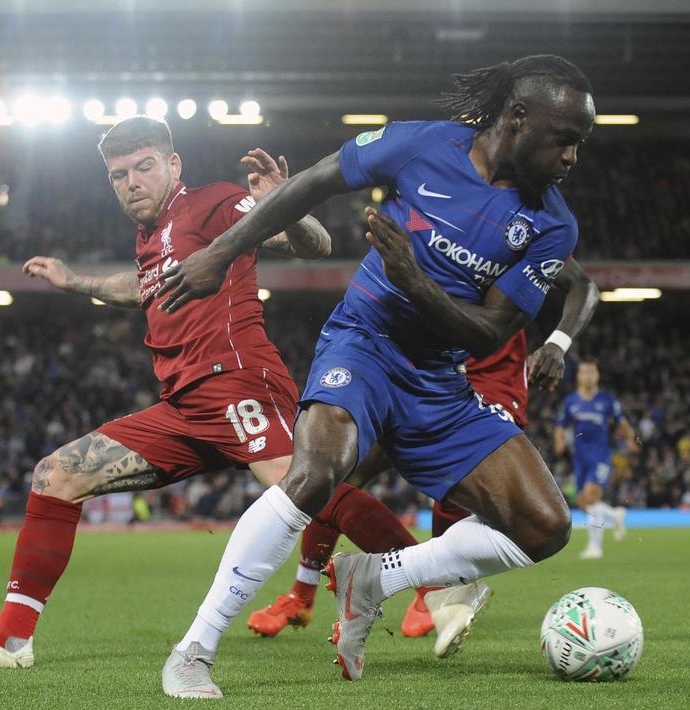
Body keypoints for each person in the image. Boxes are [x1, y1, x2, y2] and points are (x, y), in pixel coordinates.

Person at [154, 54, 594, 698]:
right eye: (565, 139)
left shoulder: (552, 223)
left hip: (441, 381)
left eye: (579, 144)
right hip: (362, 344)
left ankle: (374, 579)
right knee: (315, 474)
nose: (572, 158)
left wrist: (415, 279)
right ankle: (195, 648)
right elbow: (314, 182)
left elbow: (490, 333)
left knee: (546, 527)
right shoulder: (419, 144)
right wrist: (221, 252)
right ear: (518, 119)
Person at [0, 116, 331, 676]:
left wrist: (288, 201)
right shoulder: (154, 234)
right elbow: (143, 287)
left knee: (310, 494)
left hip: (233, 383)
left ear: (173, 164)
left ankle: (430, 578)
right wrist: (76, 283)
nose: (132, 181)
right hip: (183, 406)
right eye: (119, 175)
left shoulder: (214, 203)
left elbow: (313, 244)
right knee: (56, 475)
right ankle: (9, 641)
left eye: (144, 167)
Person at [246, 258, 598, 661]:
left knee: (460, 490)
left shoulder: (518, 227)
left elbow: (582, 285)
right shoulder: (434, 214)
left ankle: (438, 590)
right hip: (420, 376)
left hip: (489, 383)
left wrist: (558, 342)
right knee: (331, 474)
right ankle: (304, 592)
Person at [553, 359, 630, 559]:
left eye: (591, 372)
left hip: (601, 454)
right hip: (580, 456)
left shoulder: (606, 400)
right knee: (584, 502)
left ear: (597, 376)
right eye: (584, 372)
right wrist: (559, 440)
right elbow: (561, 425)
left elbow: (622, 421)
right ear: (578, 376)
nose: (588, 376)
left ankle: (595, 547)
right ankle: (615, 515)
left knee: (591, 496)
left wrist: (630, 438)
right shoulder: (571, 401)